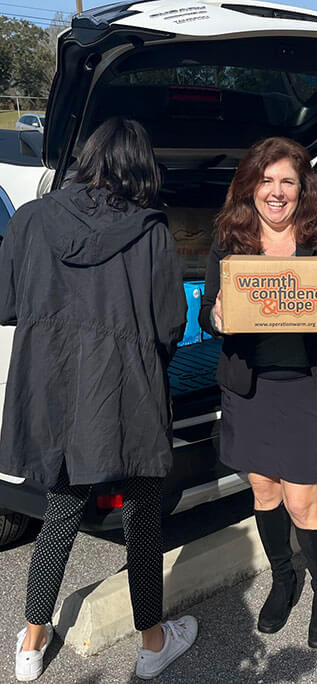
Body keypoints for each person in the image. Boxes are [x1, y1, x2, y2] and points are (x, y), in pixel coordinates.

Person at [0, 118, 195, 682]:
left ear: (87, 158)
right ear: (142, 168)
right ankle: (152, 643)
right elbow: (170, 325)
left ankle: (32, 643)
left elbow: (6, 304)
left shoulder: (31, 218)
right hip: (128, 391)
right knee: (142, 518)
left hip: (55, 387)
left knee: (61, 508)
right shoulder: (152, 232)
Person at [199, 137, 317, 649]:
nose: (276, 192)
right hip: (251, 387)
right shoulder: (232, 236)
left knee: (302, 502)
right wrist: (216, 316)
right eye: (266, 180)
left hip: (307, 387)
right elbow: (208, 306)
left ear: (302, 186)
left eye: (287, 181)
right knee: (264, 492)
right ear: (250, 186)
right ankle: (283, 578)